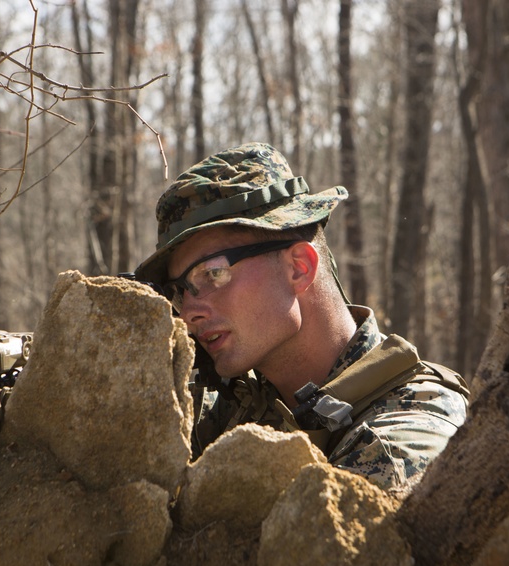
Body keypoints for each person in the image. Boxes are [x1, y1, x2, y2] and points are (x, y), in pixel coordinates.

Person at [134, 142, 469, 496]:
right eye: (179, 290)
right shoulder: (238, 405)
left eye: (213, 274)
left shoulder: (407, 431)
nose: (188, 312)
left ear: (299, 268)